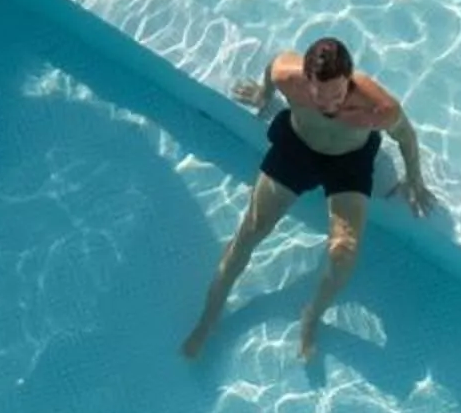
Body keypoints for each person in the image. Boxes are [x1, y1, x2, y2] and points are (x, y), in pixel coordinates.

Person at [181, 37, 434, 367]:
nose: (329, 105)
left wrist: (414, 178)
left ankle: (312, 314)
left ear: (350, 79)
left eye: (338, 95)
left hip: (348, 162)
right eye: (320, 94)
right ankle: (208, 319)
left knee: (345, 252)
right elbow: (272, 69)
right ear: (306, 79)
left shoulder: (378, 108)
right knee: (249, 233)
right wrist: (262, 94)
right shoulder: (290, 78)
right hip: (297, 149)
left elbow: (407, 137)